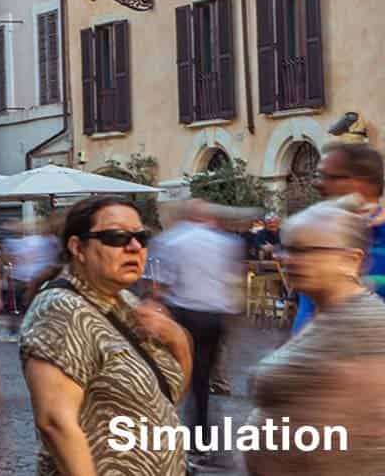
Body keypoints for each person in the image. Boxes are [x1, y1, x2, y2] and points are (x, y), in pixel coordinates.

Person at [19, 196, 190, 476]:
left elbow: (165, 397)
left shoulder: (124, 302)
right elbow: (54, 422)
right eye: (116, 237)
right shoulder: (62, 309)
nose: (134, 247)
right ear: (78, 248)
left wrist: (176, 338)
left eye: (140, 237)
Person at [246, 199, 385, 475]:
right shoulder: (321, 312)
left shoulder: (365, 327)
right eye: (288, 248)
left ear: (352, 259)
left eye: (307, 251)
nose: (287, 259)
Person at [147, 199, 243, 468]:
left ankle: (177, 433)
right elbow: (233, 279)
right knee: (202, 379)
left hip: (184, 313)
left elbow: (161, 283)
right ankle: (200, 439)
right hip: (215, 316)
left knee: (177, 375)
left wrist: (156, 307)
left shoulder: (172, 240)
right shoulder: (226, 241)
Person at [294, 143, 385, 329]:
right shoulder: (318, 231)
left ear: (361, 182)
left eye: (329, 177)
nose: (316, 183)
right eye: (317, 175)